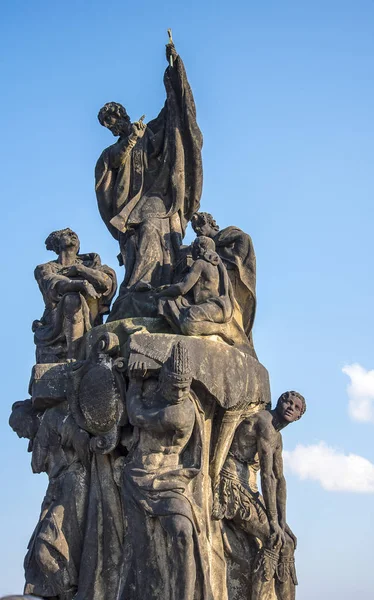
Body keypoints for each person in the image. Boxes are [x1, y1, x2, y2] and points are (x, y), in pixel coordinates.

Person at [95, 40, 203, 316]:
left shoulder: (146, 131)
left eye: (114, 118)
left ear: (122, 114)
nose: (113, 125)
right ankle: (139, 284)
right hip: (130, 204)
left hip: (156, 195)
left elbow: (172, 120)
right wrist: (131, 138)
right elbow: (115, 161)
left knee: (155, 224)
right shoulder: (114, 150)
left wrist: (173, 71)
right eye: (109, 124)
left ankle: (152, 282)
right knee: (142, 230)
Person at [119, 342, 210, 600]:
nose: (181, 392)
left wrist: (134, 383)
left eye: (185, 386)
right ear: (163, 379)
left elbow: (137, 417)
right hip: (136, 477)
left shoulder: (180, 412)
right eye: (175, 386)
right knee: (140, 548)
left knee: (183, 531)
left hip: (170, 480)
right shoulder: (154, 392)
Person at [213, 391, 306, 600]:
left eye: (296, 407)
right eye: (287, 402)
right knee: (273, 539)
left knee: (288, 542)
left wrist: (283, 521)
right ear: (280, 403)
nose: (291, 407)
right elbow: (267, 474)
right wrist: (273, 522)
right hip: (232, 482)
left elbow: (279, 478)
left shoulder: (277, 436)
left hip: (248, 484)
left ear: (299, 416)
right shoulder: (265, 422)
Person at [9, 401, 90, 600]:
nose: (19, 434)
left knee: (46, 548)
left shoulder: (53, 418)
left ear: (28, 419)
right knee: (34, 558)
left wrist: (85, 469)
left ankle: (69, 592)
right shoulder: (40, 432)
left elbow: (79, 439)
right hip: (57, 488)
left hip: (73, 485)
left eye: (19, 428)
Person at [33, 228, 116, 362]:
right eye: (66, 234)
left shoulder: (90, 264)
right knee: (72, 298)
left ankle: (76, 356)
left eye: (74, 234)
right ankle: (73, 357)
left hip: (89, 317)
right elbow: (56, 285)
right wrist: (82, 285)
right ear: (57, 244)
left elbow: (106, 283)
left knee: (74, 299)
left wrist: (80, 269)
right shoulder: (46, 268)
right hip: (57, 321)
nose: (72, 235)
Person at [191, 212, 256, 339]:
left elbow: (245, 238)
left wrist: (234, 259)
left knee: (236, 310)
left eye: (199, 226)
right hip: (219, 277)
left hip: (233, 276)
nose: (198, 231)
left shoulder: (226, 234)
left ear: (209, 223)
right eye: (195, 229)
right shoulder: (206, 246)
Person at [157, 236, 236, 341]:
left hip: (215, 307)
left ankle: (221, 329)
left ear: (199, 248)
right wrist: (170, 288)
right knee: (167, 301)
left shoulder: (200, 263)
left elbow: (183, 288)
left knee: (188, 324)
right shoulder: (218, 264)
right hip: (219, 307)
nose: (191, 249)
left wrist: (159, 294)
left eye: (193, 246)